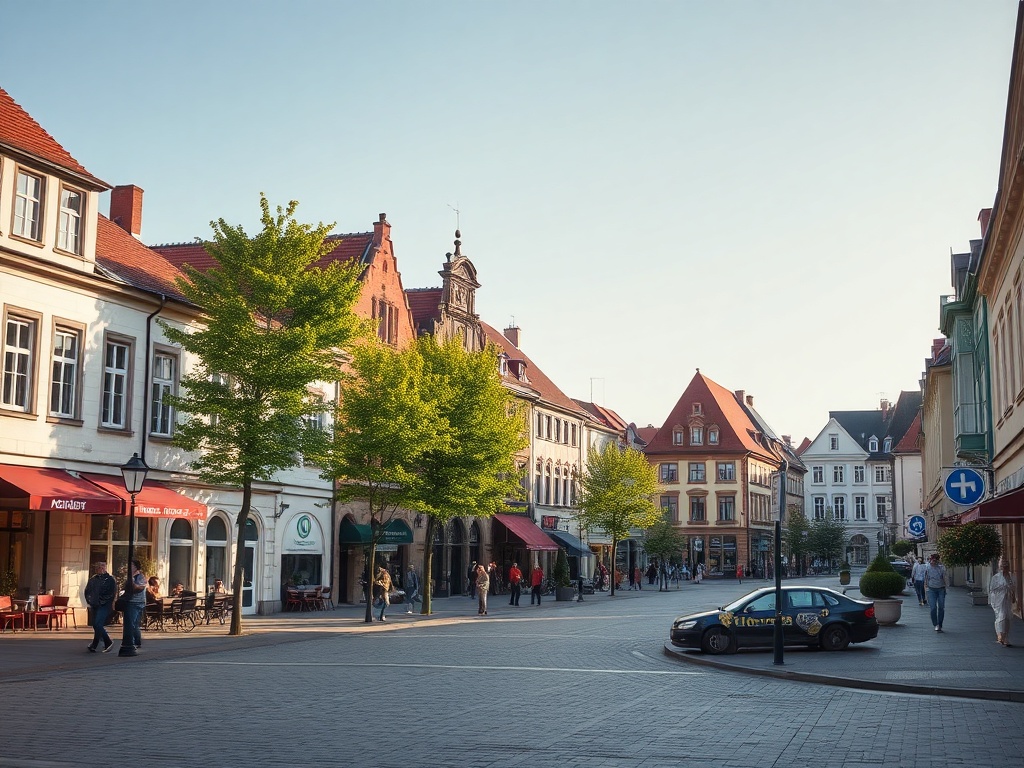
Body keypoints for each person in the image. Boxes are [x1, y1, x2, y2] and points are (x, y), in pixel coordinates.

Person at [84, 561, 117, 653]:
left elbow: (111, 593)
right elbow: (87, 591)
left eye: (102, 567)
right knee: (96, 625)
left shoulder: (110, 579)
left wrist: (102, 601)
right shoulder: (93, 579)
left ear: (105, 568)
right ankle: (94, 644)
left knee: (97, 624)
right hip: (95, 604)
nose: (100, 568)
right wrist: (90, 601)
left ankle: (108, 641)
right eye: (98, 567)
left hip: (104, 605)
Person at [989, 559, 1018, 646]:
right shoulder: (996, 577)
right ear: (999, 567)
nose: (1004, 568)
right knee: (1001, 616)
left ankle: (1005, 637)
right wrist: (1002, 587)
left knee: (1007, 617)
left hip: (1007, 599)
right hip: (998, 600)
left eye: (1006, 566)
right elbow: (992, 589)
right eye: (1002, 566)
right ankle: (1000, 635)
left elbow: (1014, 588)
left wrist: (1014, 597)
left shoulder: (1012, 576)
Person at [121, 559, 147, 654]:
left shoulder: (140, 577)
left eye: (130, 565)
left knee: (131, 624)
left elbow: (138, 588)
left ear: (136, 567)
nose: (128, 567)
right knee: (134, 624)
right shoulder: (130, 577)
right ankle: (136, 642)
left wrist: (131, 580)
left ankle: (132, 643)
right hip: (131, 601)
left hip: (136, 602)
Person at [924, 553, 947, 632]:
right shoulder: (927, 567)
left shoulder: (941, 568)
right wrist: (926, 590)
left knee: (941, 607)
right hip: (931, 589)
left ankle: (940, 624)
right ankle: (935, 624)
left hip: (941, 589)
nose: (934, 562)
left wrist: (946, 587)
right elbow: (926, 579)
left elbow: (945, 578)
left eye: (935, 560)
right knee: (933, 607)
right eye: (933, 560)